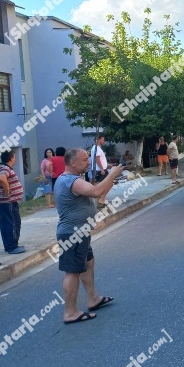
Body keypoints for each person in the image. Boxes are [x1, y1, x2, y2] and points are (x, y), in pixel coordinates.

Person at [56, 148, 122, 324]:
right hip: (73, 234)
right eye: (84, 160)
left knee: (88, 262)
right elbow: (96, 192)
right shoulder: (71, 181)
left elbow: (98, 190)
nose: (88, 162)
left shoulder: (70, 179)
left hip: (80, 232)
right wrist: (112, 174)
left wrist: (109, 179)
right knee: (73, 272)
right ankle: (70, 312)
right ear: (72, 162)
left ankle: (93, 298)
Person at [0, 151, 25, 254]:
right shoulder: (5, 169)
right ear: (11, 158)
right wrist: (7, 190)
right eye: (14, 157)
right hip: (8, 202)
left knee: (5, 224)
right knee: (14, 223)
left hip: (3, 202)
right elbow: (2, 178)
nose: (15, 159)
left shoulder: (0, 167)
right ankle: (12, 246)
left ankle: (9, 245)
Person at [89, 135, 110, 208]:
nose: (104, 141)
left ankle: (100, 200)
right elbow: (97, 159)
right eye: (103, 139)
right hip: (99, 170)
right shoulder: (96, 148)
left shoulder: (97, 148)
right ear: (98, 139)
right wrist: (101, 169)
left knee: (103, 185)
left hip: (100, 169)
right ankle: (101, 200)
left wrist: (108, 165)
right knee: (106, 185)